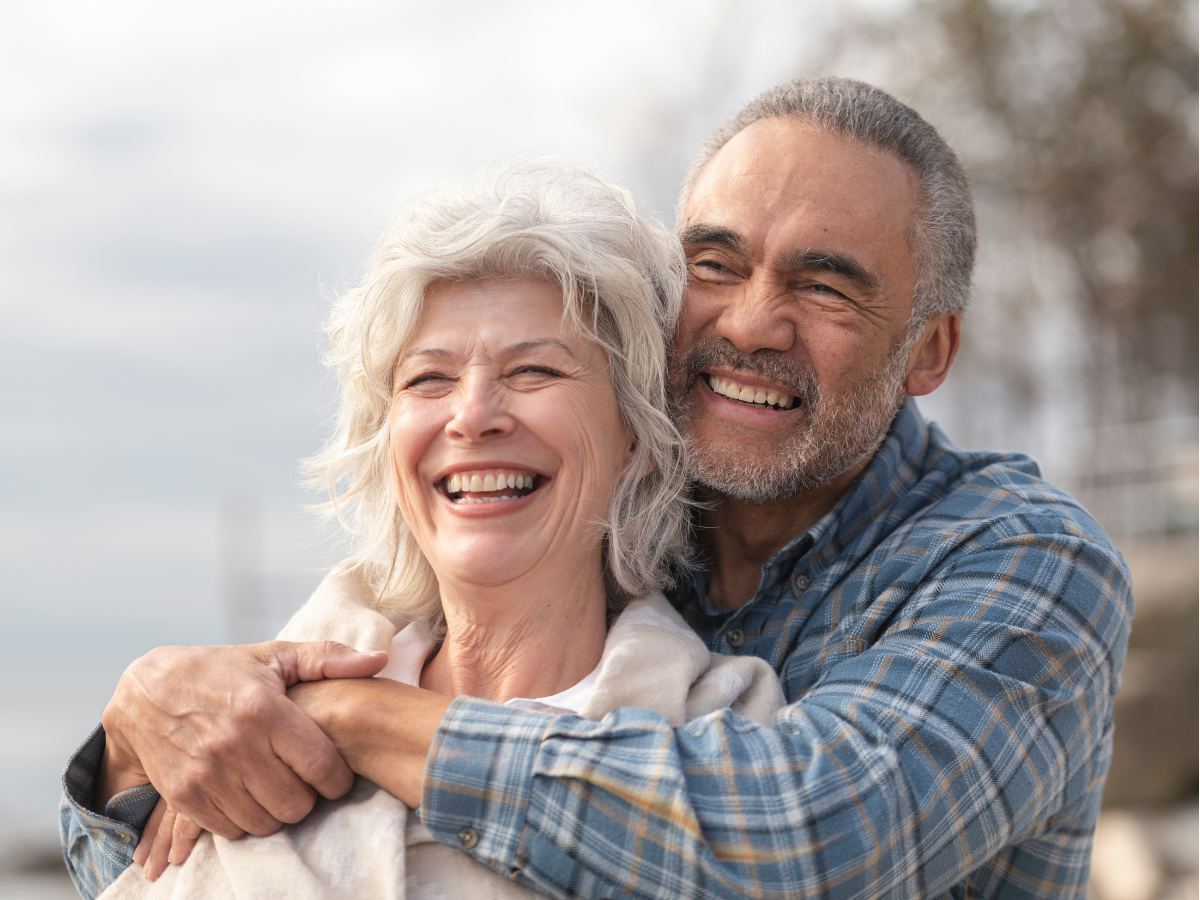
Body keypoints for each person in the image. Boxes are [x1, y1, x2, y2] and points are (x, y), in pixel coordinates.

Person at [62, 77, 1133, 899]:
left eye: (823, 285)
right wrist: (134, 733)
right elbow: (151, 845)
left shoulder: (1024, 560)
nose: (751, 323)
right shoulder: (588, 526)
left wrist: (353, 719)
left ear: (929, 350)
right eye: (715, 265)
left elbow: (815, 834)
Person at [67, 160, 786, 899]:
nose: (473, 415)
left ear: (634, 435)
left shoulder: (724, 733)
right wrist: (127, 737)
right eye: (429, 379)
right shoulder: (240, 726)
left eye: (535, 371)